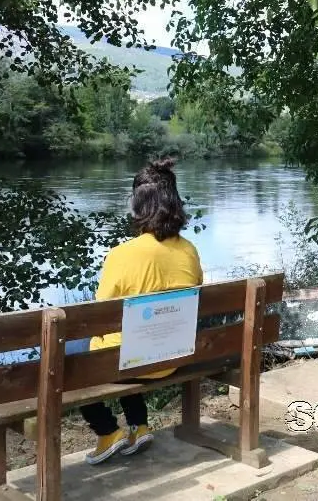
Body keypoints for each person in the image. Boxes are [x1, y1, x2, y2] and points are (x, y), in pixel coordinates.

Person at [80, 156, 203, 465]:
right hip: (173, 357)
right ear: (174, 202)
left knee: (91, 350)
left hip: (133, 361)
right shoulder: (189, 250)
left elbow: (98, 317)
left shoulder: (122, 255)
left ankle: (108, 431)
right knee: (130, 340)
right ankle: (139, 426)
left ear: (136, 204)